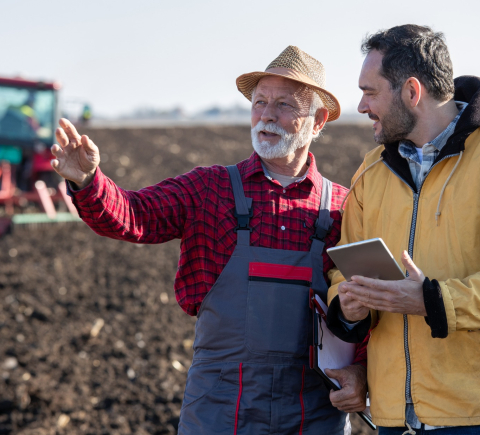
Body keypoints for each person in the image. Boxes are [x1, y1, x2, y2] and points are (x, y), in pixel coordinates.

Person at [51, 46, 368, 434]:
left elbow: (369, 303)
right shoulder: (209, 188)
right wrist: (87, 182)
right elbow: (134, 216)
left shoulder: (343, 208)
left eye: (284, 104)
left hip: (313, 411)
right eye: (260, 102)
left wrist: (360, 371)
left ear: (317, 121)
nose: (267, 113)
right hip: (221, 407)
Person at [326, 25, 480, 434]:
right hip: (392, 419)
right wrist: (348, 304)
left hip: (470, 417)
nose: (360, 106)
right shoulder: (370, 171)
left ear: (412, 92)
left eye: (370, 92)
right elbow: (343, 267)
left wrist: (432, 300)